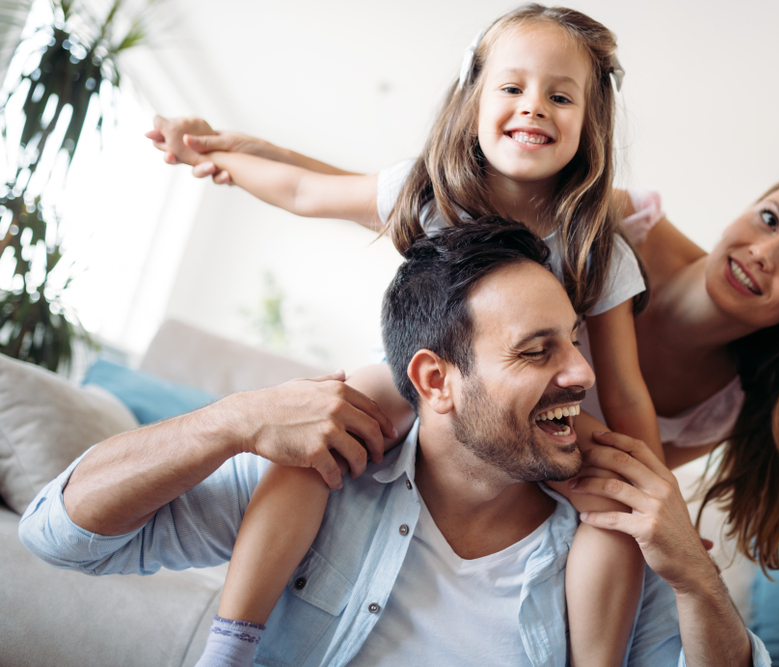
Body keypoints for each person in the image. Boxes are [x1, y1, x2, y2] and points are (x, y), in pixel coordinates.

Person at [147, 5, 657, 666]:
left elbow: (625, 388)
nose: (534, 106)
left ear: (590, 123)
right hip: (406, 375)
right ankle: (230, 642)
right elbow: (303, 189)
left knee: (618, 507)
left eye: (561, 97)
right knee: (318, 434)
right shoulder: (429, 192)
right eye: (512, 87)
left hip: (523, 407)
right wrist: (219, 156)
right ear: (474, 100)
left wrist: (657, 501)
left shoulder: (596, 246)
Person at [19, 220, 770, 667]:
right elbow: (59, 535)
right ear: (435, 380)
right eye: (538, 351)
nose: (583, 372)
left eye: (575, 341)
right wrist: (232, 419)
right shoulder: (324, 481)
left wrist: (696, 580)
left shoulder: (611, 547)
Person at [606, 169, 779, 582]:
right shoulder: (622, 219)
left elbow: (617, 487)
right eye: (770, 219)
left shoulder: (721, 408)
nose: (763, 252)